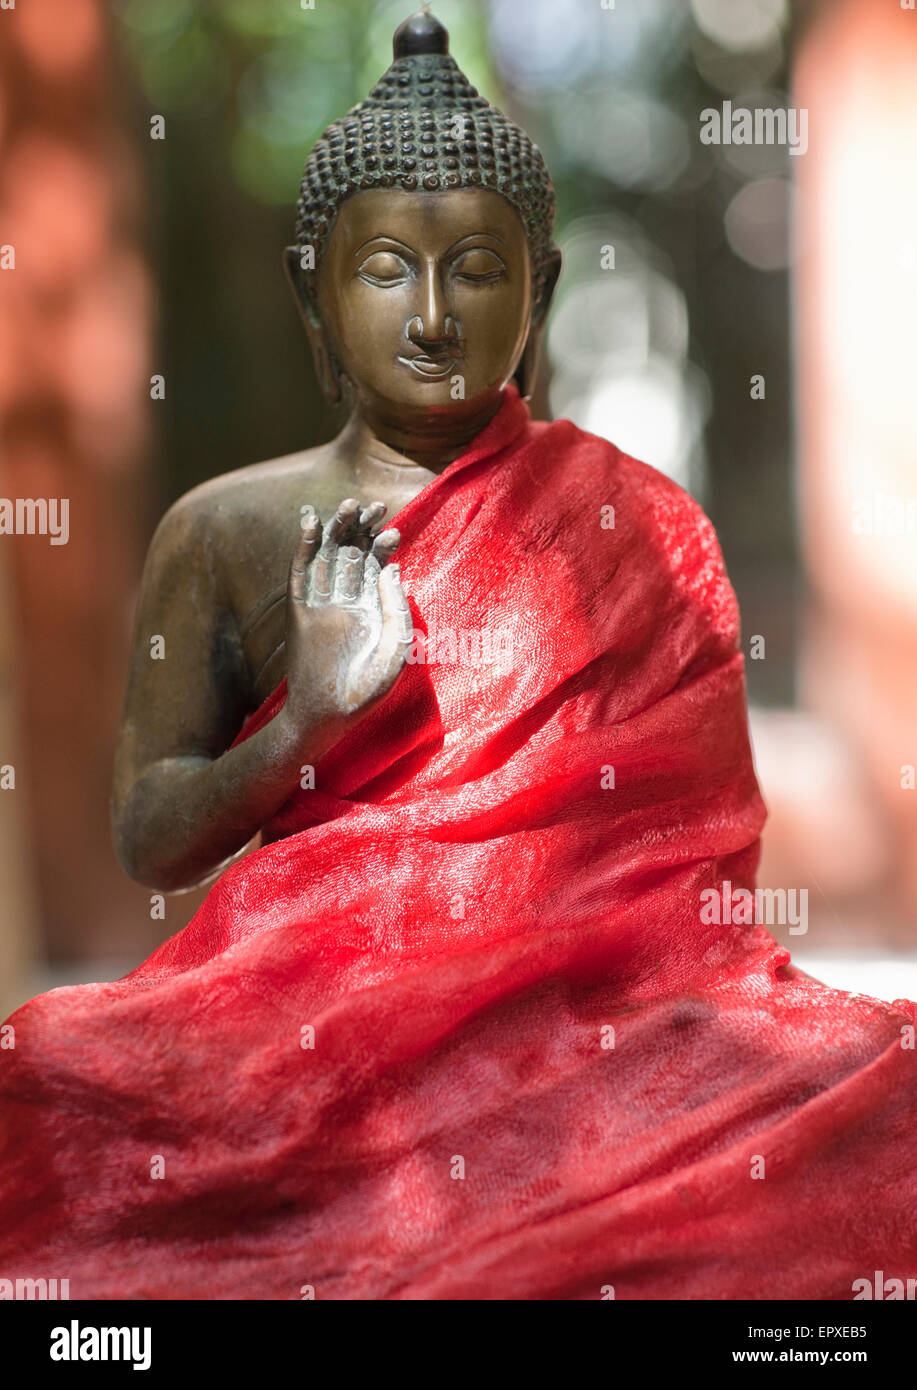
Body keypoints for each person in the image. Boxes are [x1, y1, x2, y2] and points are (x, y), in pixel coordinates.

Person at [1, 10, 915, 1301]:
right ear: (312, 284)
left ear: (536, 288)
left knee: (861, 1089)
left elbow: (688, 900)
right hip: (303, 1015)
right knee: (51, 1085)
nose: (431, 315)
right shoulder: (228, 527)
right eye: (384, 269)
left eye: (476, 269)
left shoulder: (639, 525)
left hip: (600, 1012)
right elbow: (153, 838)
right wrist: (302, 723)